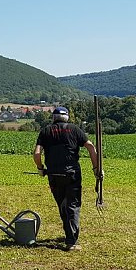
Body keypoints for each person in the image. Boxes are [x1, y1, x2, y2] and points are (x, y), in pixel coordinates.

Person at [33, 106, 101, 251]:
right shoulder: (74, 129)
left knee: (63, 205)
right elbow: (90, 147)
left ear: (53, 118)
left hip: (53, 174)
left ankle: (69, 234)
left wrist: (40, 168)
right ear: (67, 117)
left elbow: (37, 153)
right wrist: (96, 168)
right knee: (73, 205)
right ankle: (71, 241)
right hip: (72, 174)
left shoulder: (45, 131)